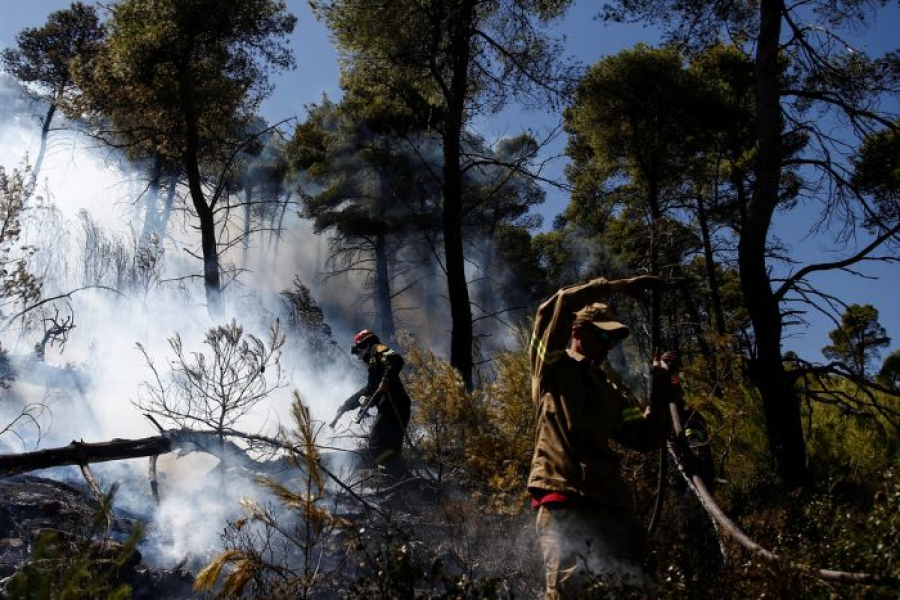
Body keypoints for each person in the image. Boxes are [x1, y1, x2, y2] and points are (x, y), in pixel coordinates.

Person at [527, 275, 673, 598]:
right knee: (570, 589)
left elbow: (645, 437)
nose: (609, 347)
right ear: (576, 332)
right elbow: (560, 303)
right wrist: (622, 286)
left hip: (610, 504)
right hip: (564, 499)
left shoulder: (609, 389)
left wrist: (660, 385)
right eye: (602, 338)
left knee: (641, 583)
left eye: (613, 342)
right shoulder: (551, 367)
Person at [331, 329, 411, 475]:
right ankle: (400, 482)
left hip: (393, 407)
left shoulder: (377, 348)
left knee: (376, 445)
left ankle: (396, 476)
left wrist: (386, 381)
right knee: (389, 448)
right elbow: (368, 390)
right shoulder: (375, 367)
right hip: (396, 408)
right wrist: (346, 406)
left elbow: (397, 360)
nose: (359, 355)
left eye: (358, 350)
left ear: (365, 344)